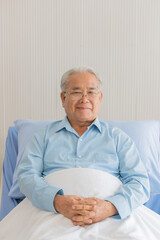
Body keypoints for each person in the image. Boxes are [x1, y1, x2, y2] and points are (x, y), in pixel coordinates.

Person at [17, 67, 150, 227]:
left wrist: (110, 207)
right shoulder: (43, 137)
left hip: (112, 216)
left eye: (91, 92)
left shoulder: (118, 138)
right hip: (51, 212)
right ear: (63, 98)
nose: (84, 99)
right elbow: (27, 176)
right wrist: (57, 201)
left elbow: (139, 182)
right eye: (76, 92)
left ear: (100, 98)